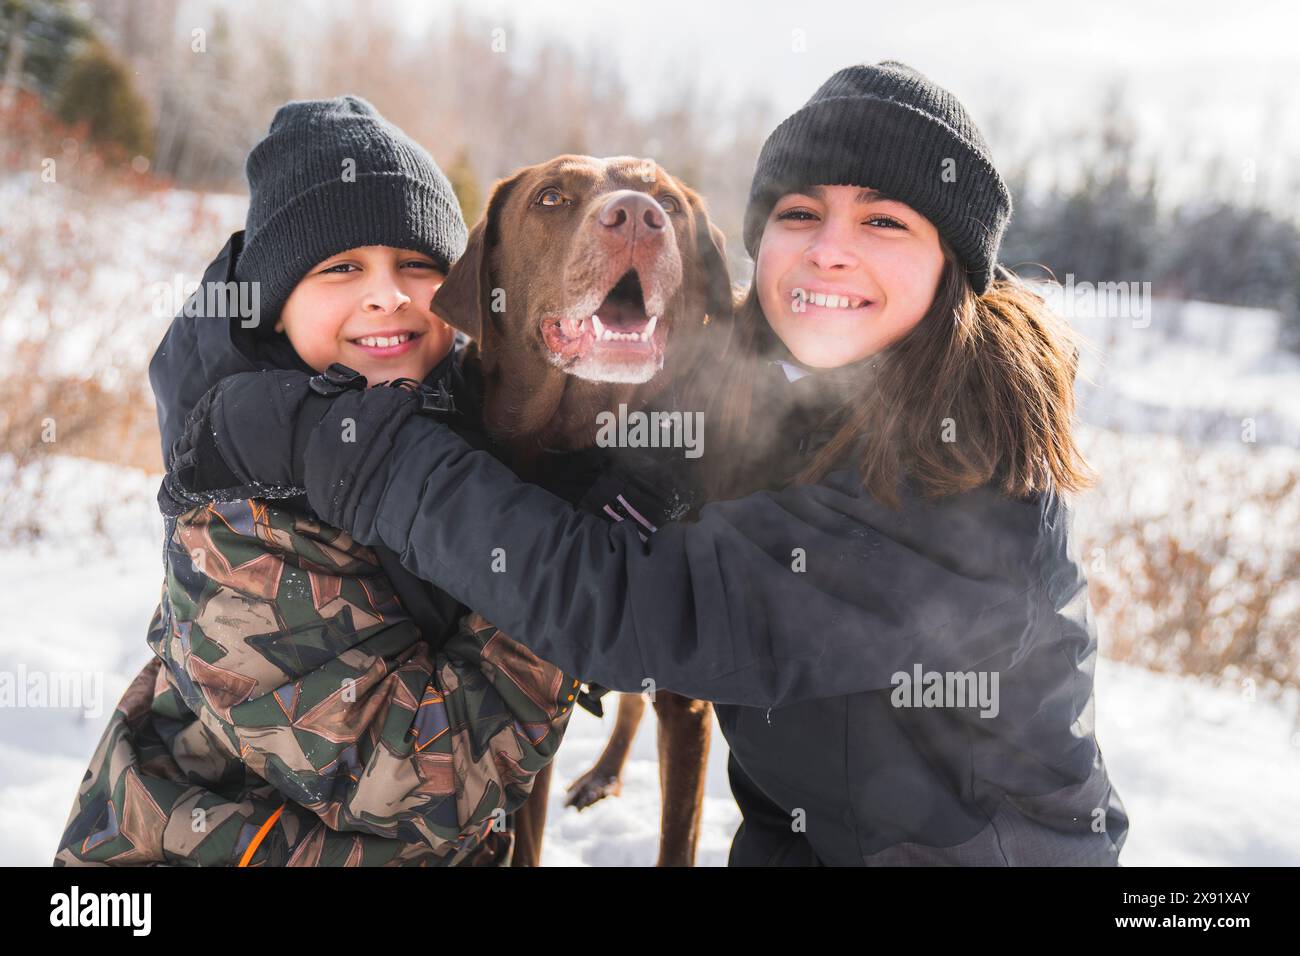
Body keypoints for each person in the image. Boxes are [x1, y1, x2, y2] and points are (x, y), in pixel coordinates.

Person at [167, 63, 1129, 866]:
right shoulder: (768, 411)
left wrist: (349, 450)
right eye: (800, 213)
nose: (832, 251)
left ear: (955, 265)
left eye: (886, 221)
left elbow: (633, 610)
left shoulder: (960, 474)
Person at [54, 96, 579, 867]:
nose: (388, 294)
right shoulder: (239, 519)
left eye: (417, 263)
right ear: (275, 307)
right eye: (341, 268)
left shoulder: (443, 426)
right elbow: (427, 782)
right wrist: (560, 571)